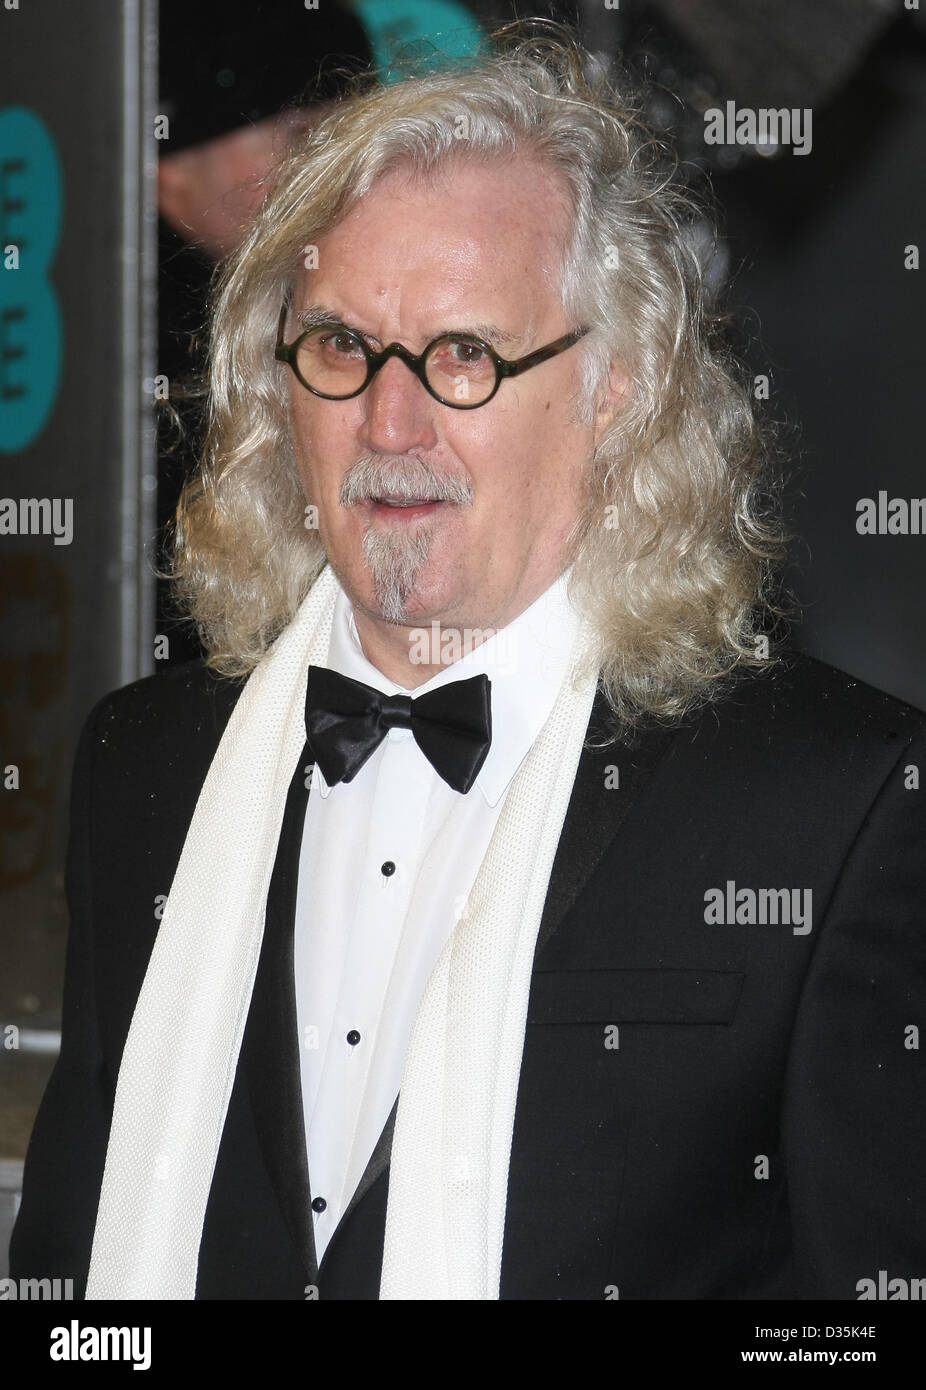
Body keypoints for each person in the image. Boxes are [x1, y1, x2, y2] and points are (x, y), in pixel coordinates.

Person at [11, 29, 926, 1301]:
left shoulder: (836, 806)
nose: (390, 425)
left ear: (615, 387)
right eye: (340, 348)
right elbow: (68, 1268)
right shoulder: (147, 762)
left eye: (462, 357)